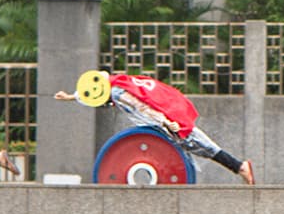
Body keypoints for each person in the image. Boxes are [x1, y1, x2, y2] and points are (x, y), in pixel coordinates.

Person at [55, 70, 255, 185]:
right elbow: (93, 91)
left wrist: (166, 122)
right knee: (198, 145)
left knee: (199, 144)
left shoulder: (118, 93)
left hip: (162, 119)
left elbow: (143, 107)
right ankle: (238, 167)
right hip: (166, 110)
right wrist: (71, 97)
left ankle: (239, 166)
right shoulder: (118, 82)